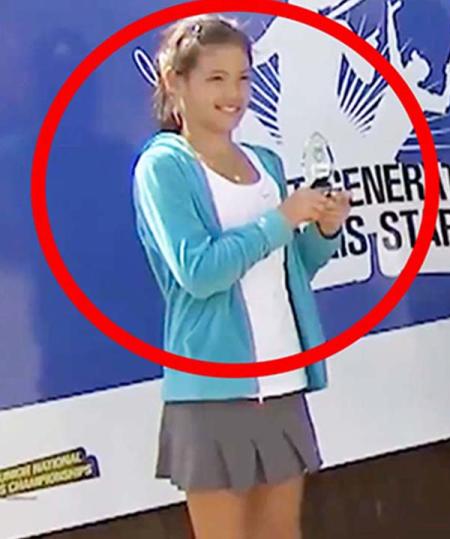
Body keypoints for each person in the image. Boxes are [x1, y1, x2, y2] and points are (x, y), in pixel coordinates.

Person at [132, 15, 350, 539]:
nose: (234, 93)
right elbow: (199, 271)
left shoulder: (266, 162)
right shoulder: (163, 166)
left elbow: (292, 268)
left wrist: (322, 230)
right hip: (210, 390)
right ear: (175, 83)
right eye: (216, 78)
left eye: (244, 78)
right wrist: (280, 220)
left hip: (283, 381)